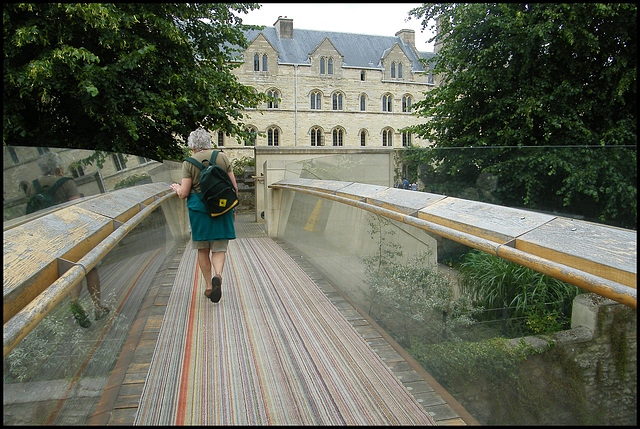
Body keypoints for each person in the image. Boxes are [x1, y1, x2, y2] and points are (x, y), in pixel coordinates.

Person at [26, 151, 109, 328]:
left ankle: (74, 301)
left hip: (51, 236)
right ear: (58, 167)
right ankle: (97, 307)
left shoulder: (33, 186)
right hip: (72, 232)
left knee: (71, 271)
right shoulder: (66, 182)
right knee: (91, 267)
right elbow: (77, 207)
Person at [170, 128, 238, 303]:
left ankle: (208, 286)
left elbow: (184, 192)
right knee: (219, 247)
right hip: (222, 208)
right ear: (209, 142)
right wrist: (232, 209)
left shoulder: (189, 162)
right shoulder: (221, 157)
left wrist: (177, 188)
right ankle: (218, 275)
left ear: (192, 146)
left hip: (199, 211)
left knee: (203, 249)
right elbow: (233, 188)